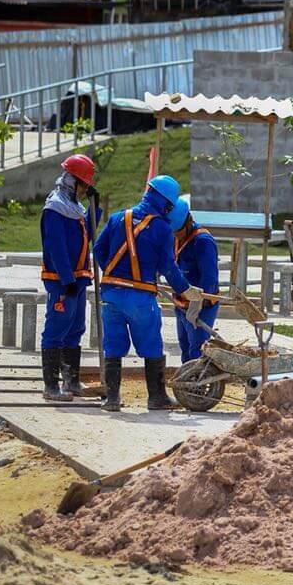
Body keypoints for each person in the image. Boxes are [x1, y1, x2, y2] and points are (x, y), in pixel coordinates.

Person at [93, 175, 201, 412]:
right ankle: (156, 397)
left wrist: (113, 273)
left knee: (112, 346)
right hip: (140, 298)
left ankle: (111, 399)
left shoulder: (118, 217)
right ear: (166, 203)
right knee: (151, 344)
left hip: (110, 294)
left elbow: (98, 249)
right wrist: (185, 289)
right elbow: (168, 267)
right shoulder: (161, 228)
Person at [38, 154, 97, 401]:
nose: (85, 190)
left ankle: (71, 380)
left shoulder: (77, 208)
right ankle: (51, 386)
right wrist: (66, 279)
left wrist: (96, 207)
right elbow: (56, 248)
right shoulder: (55, 208)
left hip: (79, 278)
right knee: (57, 328)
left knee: (76, 328)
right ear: (72, 182)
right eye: (84, 185)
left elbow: (91, 234)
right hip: (63, 280)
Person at [169, 196, 220, 364]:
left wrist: (199, 303)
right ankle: (187, 385)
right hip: (181, 304)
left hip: (201, 307)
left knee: (197, 350)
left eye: (178, 231)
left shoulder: (203, 242)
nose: (175, 235)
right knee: (184, 346)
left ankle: (199, 386)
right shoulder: (174, 237)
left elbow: (209, 278)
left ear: (188, 221)